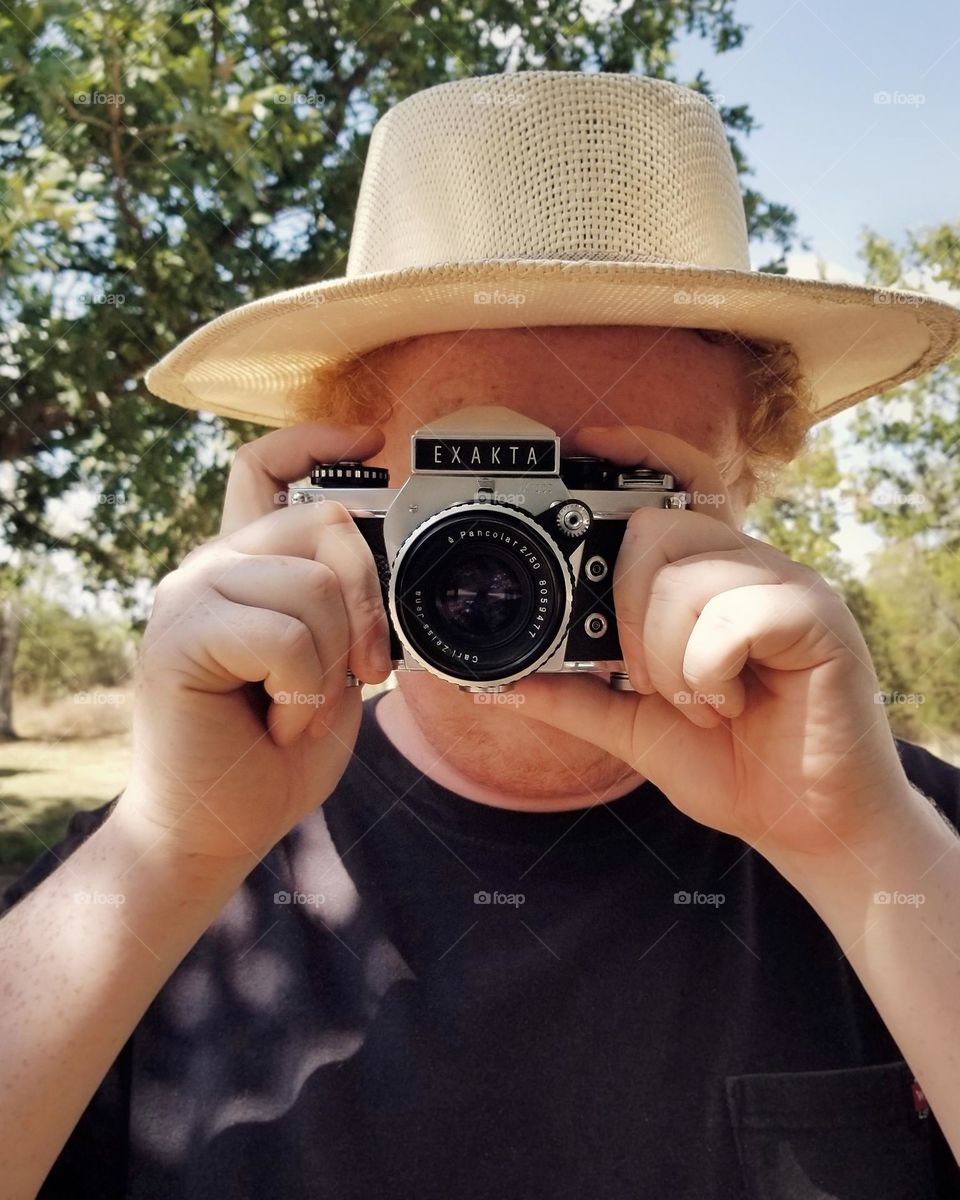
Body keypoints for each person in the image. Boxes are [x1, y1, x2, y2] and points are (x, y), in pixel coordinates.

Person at [3, 71, 960, 1200]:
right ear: (340, 493)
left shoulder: (907, 838)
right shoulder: (145, 892)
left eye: (612, 489)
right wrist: (170, 851)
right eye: (475, 492)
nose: (530, 551)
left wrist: (860, 849)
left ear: (743, 488)